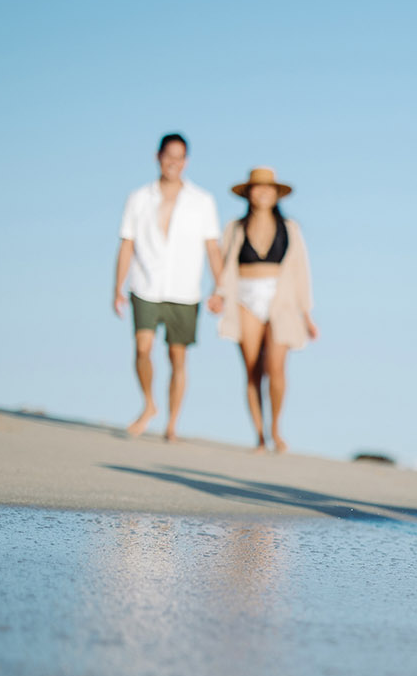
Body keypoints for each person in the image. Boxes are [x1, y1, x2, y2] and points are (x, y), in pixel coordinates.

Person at [113, 133, 223, 440]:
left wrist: (220, 288)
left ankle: (172, 423)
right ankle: (149, 404)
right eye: (168, 156)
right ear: (157, 157)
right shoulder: (138, 197)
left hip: (185, 289)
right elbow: (126, 244)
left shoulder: (202, 201)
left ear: (186, 161)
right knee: (142, 348)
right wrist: (117, 287)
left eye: (179, 157)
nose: (173, 162)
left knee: (178, 357)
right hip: (144, 284)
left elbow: (213, 249)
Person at [211, 168, 317, 453]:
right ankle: (259, 434)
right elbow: (223, 265)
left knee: (276, 368)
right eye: (257, 188)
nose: (262, 193)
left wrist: (307, 314)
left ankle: (276, 429)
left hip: (280, 299)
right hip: (244, 297)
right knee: (252, 371)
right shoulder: (234, 227)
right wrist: (218, 294)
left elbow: (301, 270)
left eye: (268, 189)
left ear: (276, 194)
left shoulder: (290, 228)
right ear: (248, 192)